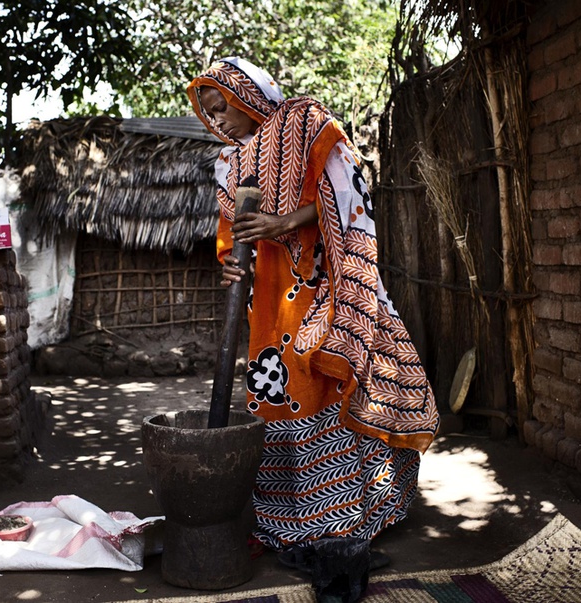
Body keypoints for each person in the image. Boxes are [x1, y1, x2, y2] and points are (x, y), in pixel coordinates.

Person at [188, 57, 439, 603]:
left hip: (324, 285)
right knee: (283, 398)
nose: (218, 122)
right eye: (208, 115)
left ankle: (351, 520)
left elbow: (349, 194)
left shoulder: (306, 124)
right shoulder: (229, 166)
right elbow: (232, 239)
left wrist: (286, 222)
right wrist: (234, 262)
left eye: (221, 108)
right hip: (269, 305)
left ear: (244, 94)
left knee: (329, 376)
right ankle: (300, 521)